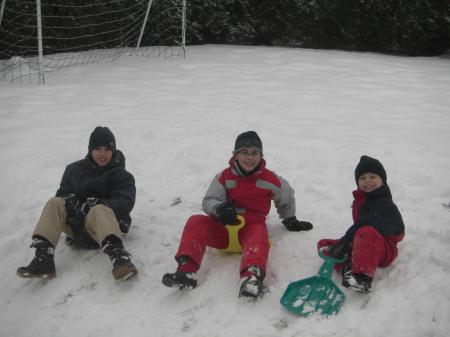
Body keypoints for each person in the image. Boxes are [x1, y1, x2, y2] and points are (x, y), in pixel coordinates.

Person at [162, 131, 313, 298]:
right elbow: (209, 199)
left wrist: (290, 218)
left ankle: (251, 277)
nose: (249, 158)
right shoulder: (224, 177)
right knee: (196, 221)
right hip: (224, 230)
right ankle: (186, 271)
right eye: (244, 153)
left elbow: (286, 196)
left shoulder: (270, 179)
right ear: (235, 155)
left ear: (261, 155)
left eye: (254, 153)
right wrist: (220, 208)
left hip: (251, 232)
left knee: (258, 232)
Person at [17, 126, 138, 281]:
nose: (102, 154)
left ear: (113, 150)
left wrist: (99, 203)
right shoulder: (73, 170)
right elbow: (61, 197)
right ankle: (43, 259)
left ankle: (120, 259)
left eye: (107, 149)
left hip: (106, 229)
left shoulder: (122, 175)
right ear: (90, 150)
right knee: (54, 203)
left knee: (99, 209)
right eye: (98, 149)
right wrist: (69, 201)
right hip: (77, 228)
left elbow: (125, 202)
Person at [318, 155, 405, 293]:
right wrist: (344, 243)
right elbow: (359, 227)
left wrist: (347, 241)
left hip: (384, 249)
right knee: (326, 244)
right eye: (363, 178)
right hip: (365, 242)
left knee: (365, 233)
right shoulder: (363, 200)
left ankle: (361, 277)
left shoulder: (385, 203)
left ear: (382, 180)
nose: (368, 181)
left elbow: (399, 232)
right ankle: (347, 267)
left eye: (372, 176)